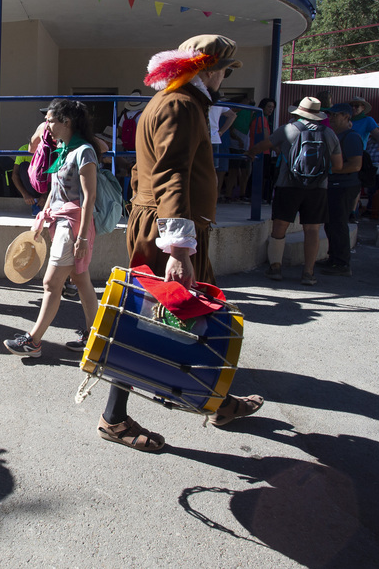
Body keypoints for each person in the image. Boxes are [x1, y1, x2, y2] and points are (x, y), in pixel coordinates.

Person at [97, 35, 264, 452]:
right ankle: (113, 418)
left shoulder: (178, 102)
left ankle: (217, 400)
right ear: (209, 69)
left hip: (169, 226)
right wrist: (178, 249)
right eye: (225, 70)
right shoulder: (180, 104)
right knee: (147, 318)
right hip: (168, 231)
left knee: (182, 316)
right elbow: (171, 175)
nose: (225, 77)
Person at [4, 99, 99, 357]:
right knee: (81, 281)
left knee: (50, 283)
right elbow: (55, 190)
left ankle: (33, 341)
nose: (46, 124)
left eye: (50, 120)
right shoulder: (63, 148)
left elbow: (89, 197)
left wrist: (82, 239)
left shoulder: (84, 151)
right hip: (61, 222)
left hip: (74, 226)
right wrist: (44, 217)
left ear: (66, 122)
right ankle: (97, 339)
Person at [247, 96, 343, 286]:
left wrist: (250, 153)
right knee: (312, 229)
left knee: (280, 227)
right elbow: (338, 165)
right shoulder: (329, 134)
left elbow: (262, 146)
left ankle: (275, 267)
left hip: (288, 184)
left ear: (298, 112)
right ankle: (308, 273)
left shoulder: (288, 129)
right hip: (318, 188)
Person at [317, 104, 364, 276]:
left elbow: (355, 165)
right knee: (331, 225)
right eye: (330, 114)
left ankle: (342, 263)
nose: (331, 118)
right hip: (334, 185)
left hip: (343, 186)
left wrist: (328, 169)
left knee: (338, 224)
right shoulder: (337, 135)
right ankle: (334, 258)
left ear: (345, 116)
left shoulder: (351, 138)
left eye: (335, 114)